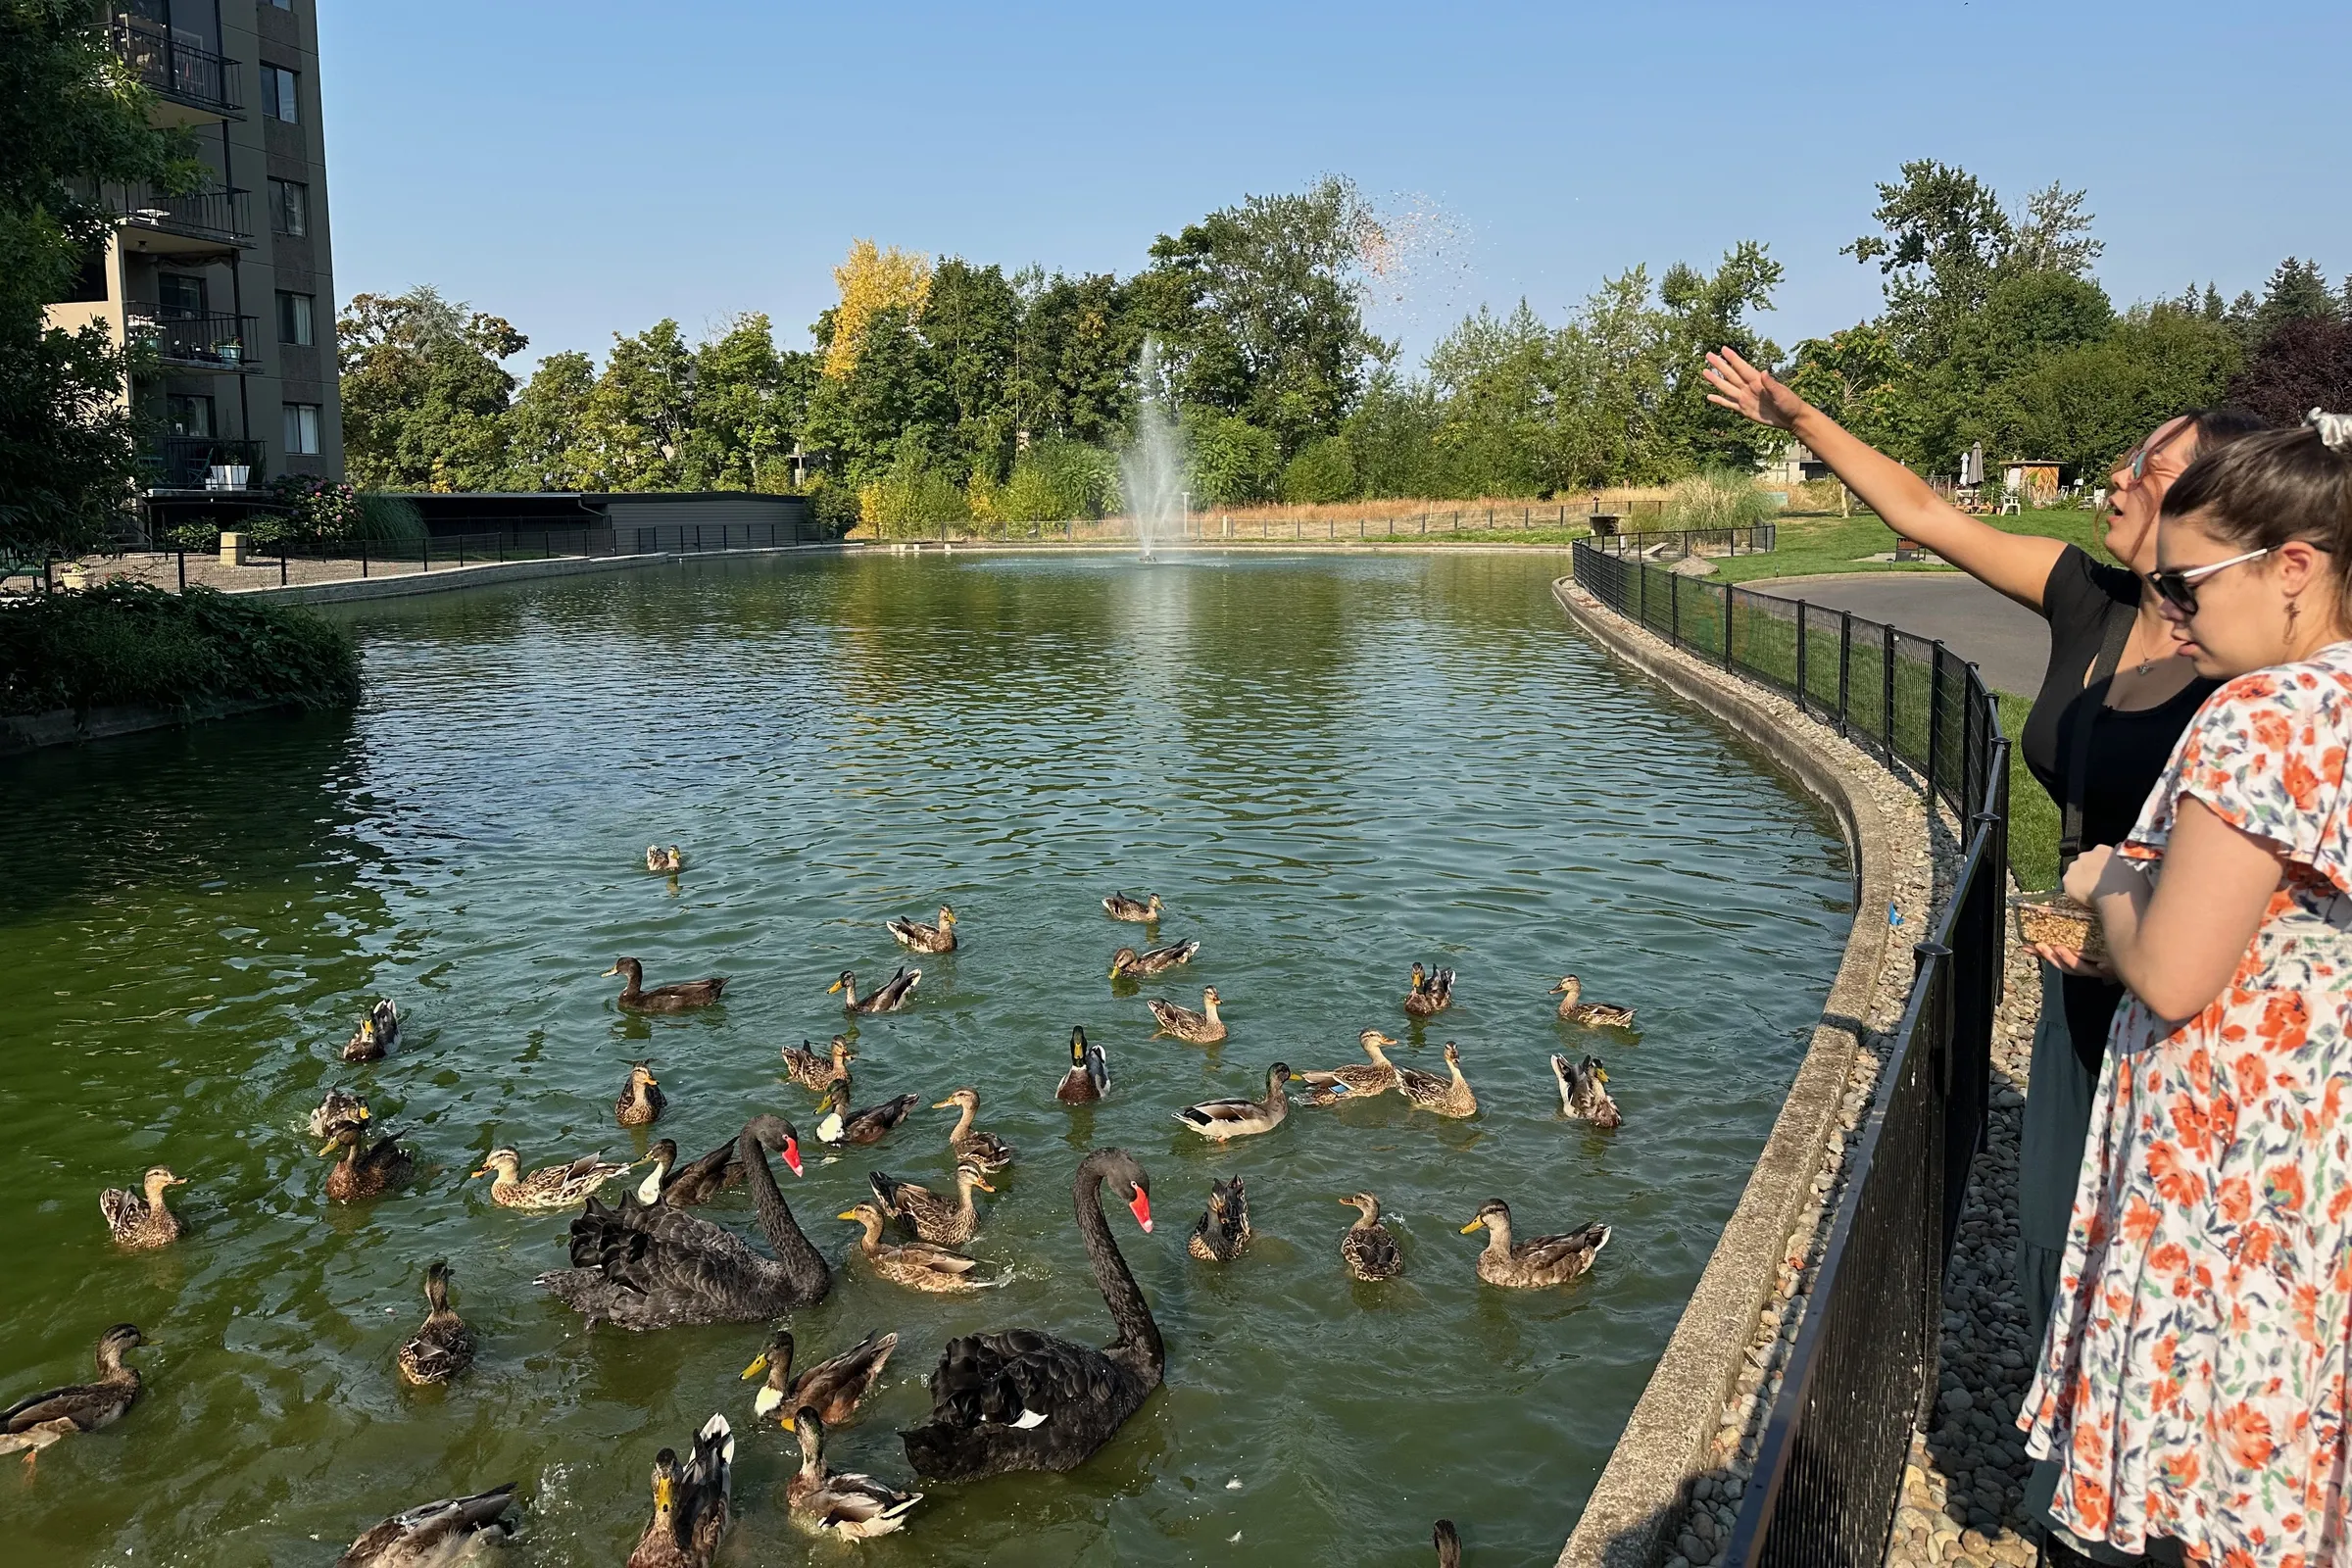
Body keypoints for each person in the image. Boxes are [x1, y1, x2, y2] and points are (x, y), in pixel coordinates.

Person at [1700, 348, 2265, 1348]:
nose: (2122, 480)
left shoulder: (2256, 659)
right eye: (2132, 460)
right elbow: (1925, 512)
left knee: (2180, 1259)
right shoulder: (2089, 599)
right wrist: (1798, 419)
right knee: (2060, 1240)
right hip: (2081, 974)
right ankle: (2080, 1473)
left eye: (2153, 470)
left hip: (2196, 991)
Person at [2022, 413, 2352, 1568]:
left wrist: (2110, 879)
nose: (2171, 613)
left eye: (2191, 587)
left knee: (2192, 1449)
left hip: (2222, 1159)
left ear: (2294, 571)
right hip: (2313, 1144)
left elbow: (2171, 970)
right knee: (2283, 1442)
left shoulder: (2261, 715)